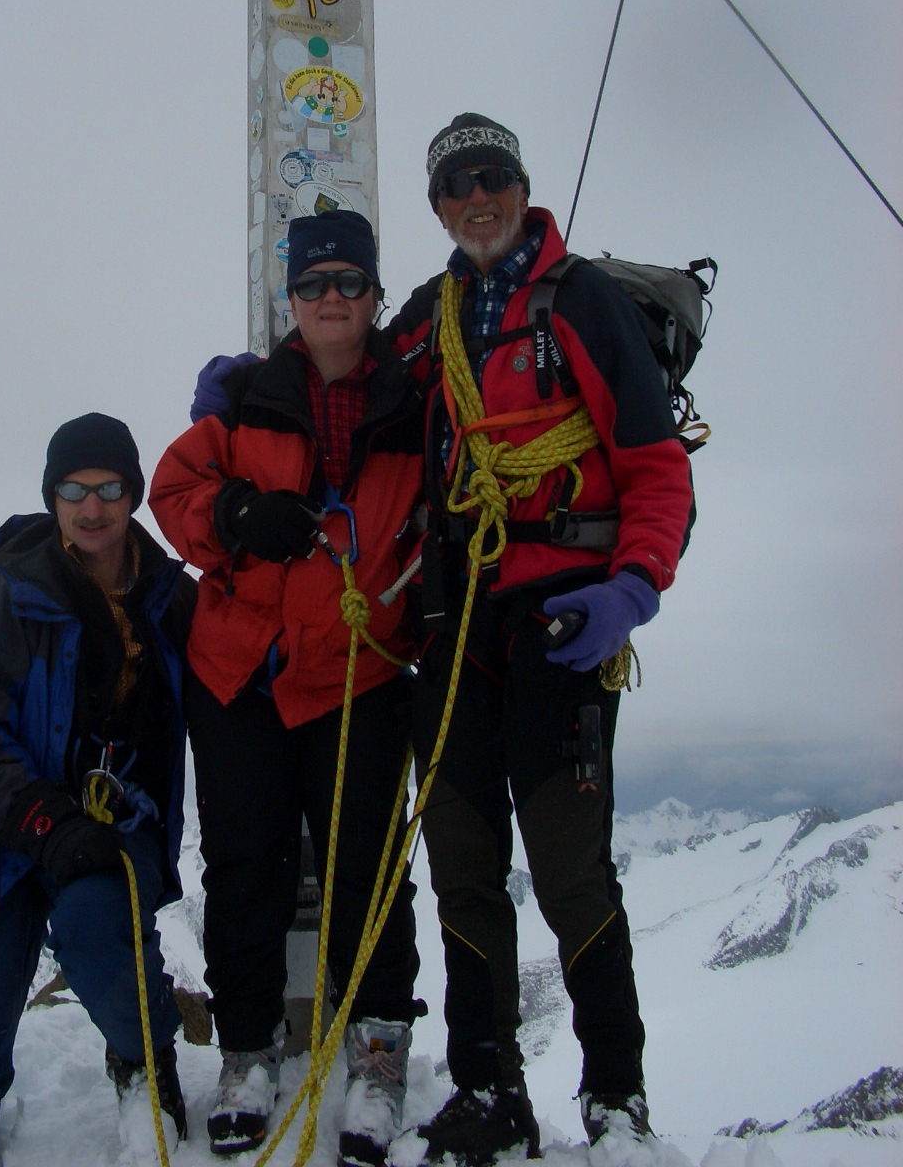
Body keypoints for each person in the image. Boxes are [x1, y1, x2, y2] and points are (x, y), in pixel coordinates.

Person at [383, 113, 696, 1159]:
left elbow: (655, 464)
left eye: (494, 176)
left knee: (568, 867)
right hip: (458, 617)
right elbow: (354, 388)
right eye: (457, 184)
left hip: (564, 611)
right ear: (438, 206)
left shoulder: (581, 301)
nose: (479, 197)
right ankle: (487, 1087)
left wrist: (632, 592)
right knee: (463, 858)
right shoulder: (432, 318)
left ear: (522, 186)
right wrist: (250, 393)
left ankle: (616, 1098)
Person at [150, 210, 426, 1167]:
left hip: (358, 672)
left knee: (365, 865)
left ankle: (378, 1051)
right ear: (292, 300)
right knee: (244, 870)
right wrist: (234, 514)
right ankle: (248, 1052)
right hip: (243, 676)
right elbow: (173, 493)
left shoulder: (413, 405)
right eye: (313, 284)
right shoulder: (244, 400)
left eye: (349, 282)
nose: (331, 299)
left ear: (375, 295)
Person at [0, 413, 195, 1167]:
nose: (92, 508)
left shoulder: (165, 599)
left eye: (109, 489)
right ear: (52, 497)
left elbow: (238, 659)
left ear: (133, 495)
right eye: (74, 490)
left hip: (108, 821)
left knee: (98, 934)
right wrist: (45, 823)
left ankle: (144, 1056)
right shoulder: (9, 598)